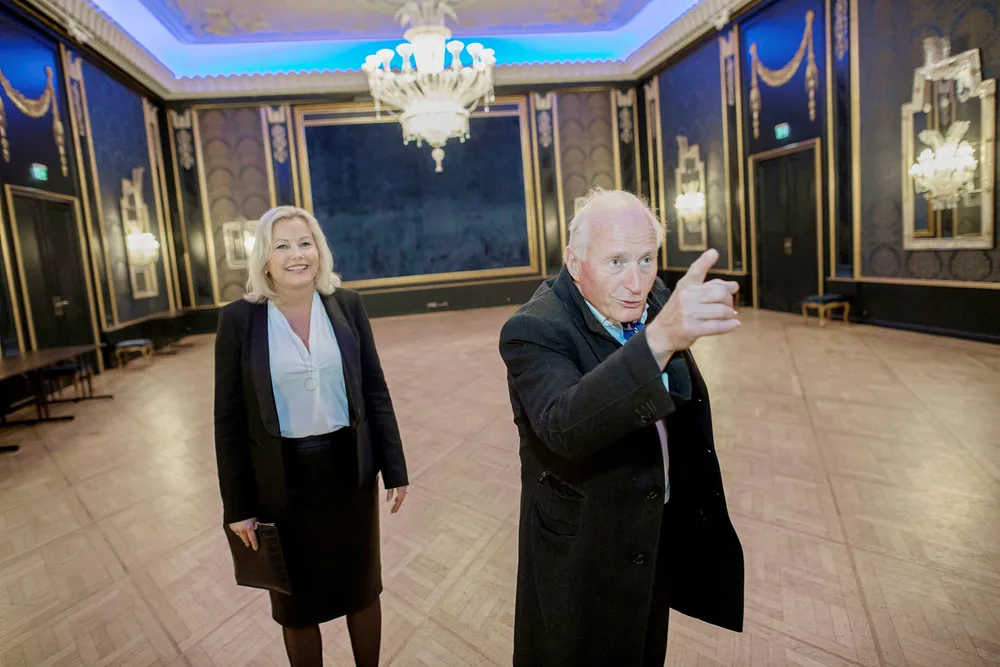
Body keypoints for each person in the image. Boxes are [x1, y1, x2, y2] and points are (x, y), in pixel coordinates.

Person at [499, 188, 745, 666]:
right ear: (574, 262)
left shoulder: (654, 297)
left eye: (646, 259)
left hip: (652, 532)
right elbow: (564, 424)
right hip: (583, 551)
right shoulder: (534, 329)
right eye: (615, 262)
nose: (636, 282)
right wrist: (660, 340)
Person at [214, 206, 409, 667]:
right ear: (265, 259)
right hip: (280, 482)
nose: (296, 255)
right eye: (282, 246)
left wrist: (395, 468)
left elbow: (375, 390)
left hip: (349, 474)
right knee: (295, 605)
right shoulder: (239, 320)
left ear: (319, 251)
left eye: (305, 243)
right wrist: (238, 508)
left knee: (362, 590)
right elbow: (228, 420)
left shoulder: (347, 305)